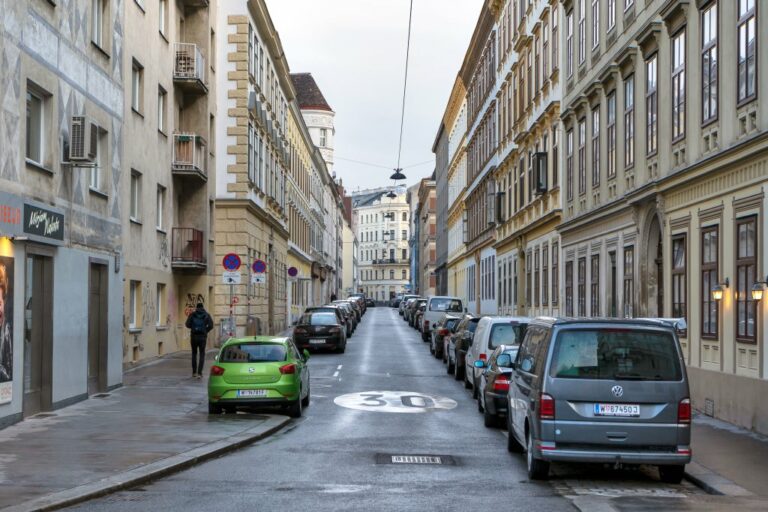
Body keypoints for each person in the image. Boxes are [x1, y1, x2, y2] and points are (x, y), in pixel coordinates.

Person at [185, 302, 213, 379]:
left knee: (194, 353)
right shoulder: (207, 315)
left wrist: (193, 328)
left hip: (194, 336)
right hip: (202, 337)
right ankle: (200, 373)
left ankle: (194, 372)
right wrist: (205, 330)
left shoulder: (192, 314)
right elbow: (211, 325)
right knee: (202, 354)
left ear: (196, 307)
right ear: (203, 307)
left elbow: (187, 324)